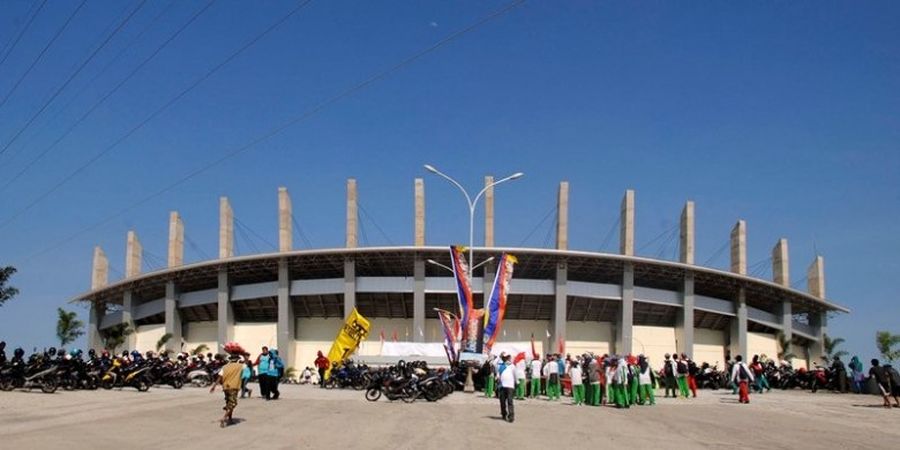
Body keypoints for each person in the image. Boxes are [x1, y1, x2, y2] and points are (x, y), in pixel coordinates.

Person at [210, 353, 244, 428]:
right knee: (232, 404)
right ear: (238, 360)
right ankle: (224, 418)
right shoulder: (240, 366)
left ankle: (230, 419)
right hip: (234, 387)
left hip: (226, 387)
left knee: (229, 403)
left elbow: (219, 377)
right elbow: (247, 364)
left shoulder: (224, 367)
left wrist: (214, 386)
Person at [497, 354, 516, 422]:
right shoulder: (500, 366)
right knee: (502, 401)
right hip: (502, 386)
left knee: (510, 401)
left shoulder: (512, 366)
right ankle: (504, 413)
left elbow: (514, 375)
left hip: (510, 386)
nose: (506, 359)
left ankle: (511, 416)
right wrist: (498, 379)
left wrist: (516, 382)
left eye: (507, 358)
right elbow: (498, 375)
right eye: (505, 358)